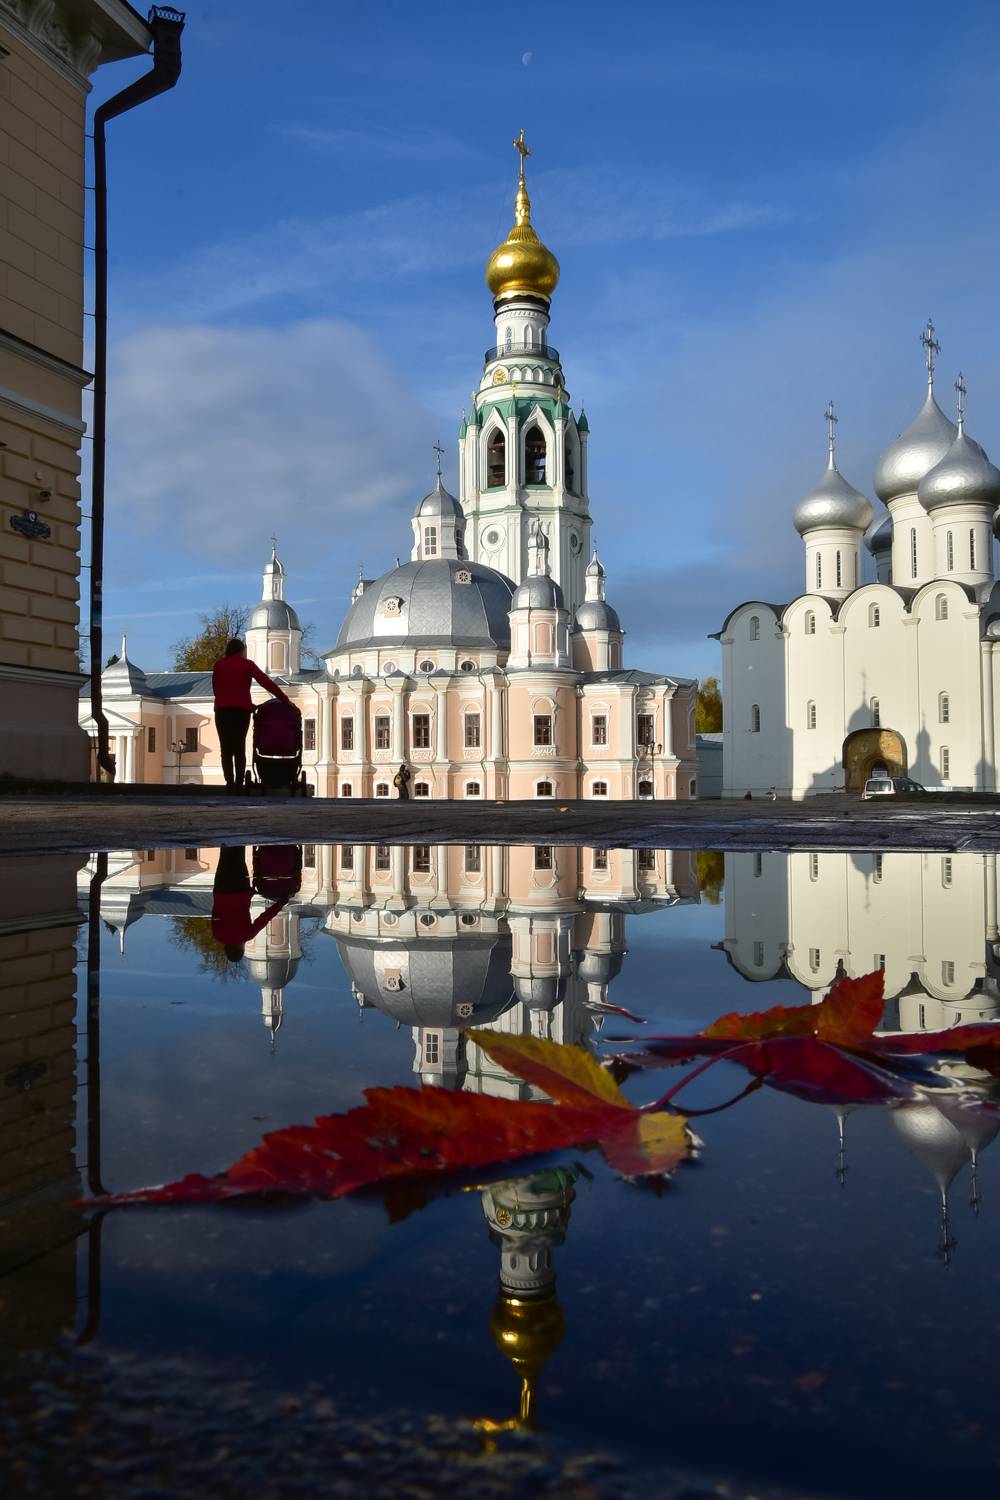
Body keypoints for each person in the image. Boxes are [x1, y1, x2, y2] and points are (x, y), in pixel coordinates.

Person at [212, 638, 290, 791]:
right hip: (241, 712)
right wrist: (284, 699)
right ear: (242, 651)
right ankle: (239, 784)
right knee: (239, 747)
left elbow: (216, 689)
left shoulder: (219, 665)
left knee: (225, 749)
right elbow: (266, 682)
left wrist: (227, 701)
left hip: (222, 711)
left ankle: (229, 783)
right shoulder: (247, 665)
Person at [211, 846, 290, 961]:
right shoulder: (217, 935)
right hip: (221, 890)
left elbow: (264, 918)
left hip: (240, 889)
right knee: (224, 856)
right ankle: (226, 837)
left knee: (238, 858)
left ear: (240, 949)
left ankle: (238, 837)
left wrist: (282, 902)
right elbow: (217, 911)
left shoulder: (247, 935)